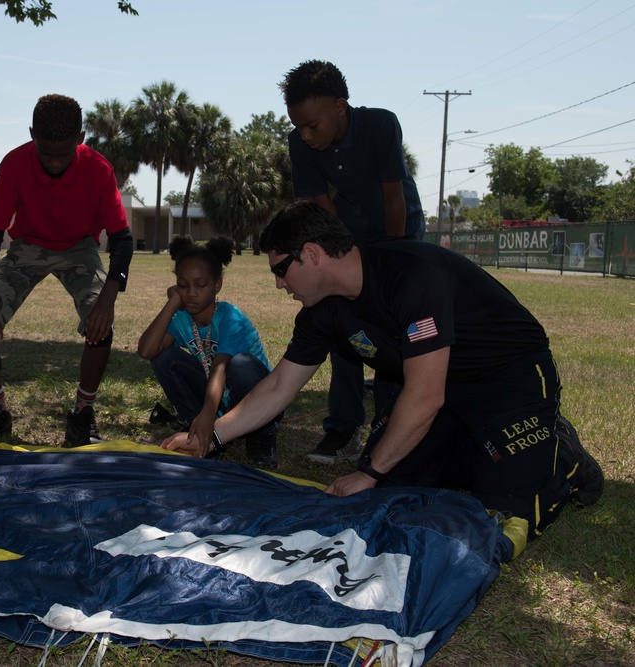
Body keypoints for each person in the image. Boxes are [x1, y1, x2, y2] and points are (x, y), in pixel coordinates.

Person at [162, 202, 604, 542]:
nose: (279, 284)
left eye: (281, 270)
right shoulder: (322, 310)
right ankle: (484, 445)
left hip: (510, 378)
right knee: (402, 482)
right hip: (440, 388)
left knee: (507, 507)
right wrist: (210, 436)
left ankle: (560, 452)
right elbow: (278, 385)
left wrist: (370, 472)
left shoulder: (411, 275)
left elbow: (425, 396)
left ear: (311, 254)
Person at [0, 94, 133, 447]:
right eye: (46, 153)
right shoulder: (14, 164)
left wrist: (106, 300)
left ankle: (82, 415)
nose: (55, 163)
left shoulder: (99, 169)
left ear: (81, 138)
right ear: (31, 136)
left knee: (100, 323)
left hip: (79, 247)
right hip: (28, 245)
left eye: (64, 154)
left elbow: (122, 241)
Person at [280, 60, 425, 465]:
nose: (306, 135)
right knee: (343, 321)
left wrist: (390, 261)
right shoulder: (300, 142)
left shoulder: (380, 125)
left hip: (400, 233)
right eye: (299, 126)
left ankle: (389, 426)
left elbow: (393, 198)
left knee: (396, 330)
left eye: (313, 125)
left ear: (340, 107)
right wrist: (343, 255)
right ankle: (343, 429)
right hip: (347, 233)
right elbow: (321, 207)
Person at [138, 236, 280, 468]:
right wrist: (172, 303)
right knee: (163, 357)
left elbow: (220, 367)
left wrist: (207, 415)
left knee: (241, 364)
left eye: (200, 285)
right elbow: (147, 350)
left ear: (217, 285)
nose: (191, 293)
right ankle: (198, 429)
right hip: (217, 399)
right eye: (183, 286)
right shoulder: (182, 318)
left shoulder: (231, 318)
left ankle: (261, 433)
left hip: (254, 400)